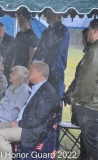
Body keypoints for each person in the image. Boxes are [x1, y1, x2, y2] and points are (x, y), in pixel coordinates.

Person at [0, 61, 58, 160]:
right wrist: (17, 120)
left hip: (33, 130)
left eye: (31, 70)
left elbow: (39, 118)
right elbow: (26, 110)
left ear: (39, 74)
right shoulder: (36, 88)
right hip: (24, 124)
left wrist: (20, 123)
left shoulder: (48, 93)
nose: (28, 72)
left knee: (1, 134)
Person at [32, 8, 70, 148]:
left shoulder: (63, 31)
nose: (46, 16)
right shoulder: (46, 31)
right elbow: (40, 50)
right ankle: (42, 139)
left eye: (49, 13)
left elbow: (56, 53)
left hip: (55, 75)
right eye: (46, 13)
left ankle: (54, 142)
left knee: (54, 109)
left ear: (57, 14)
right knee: (42, 108)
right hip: (43, 75)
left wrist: (45, 66)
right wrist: (35, 62)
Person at [72, 19, 98, 160]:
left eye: (89, 29)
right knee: (89, 144)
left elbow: (88, 80)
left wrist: (80, 101)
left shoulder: (94, 51)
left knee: (91, 146)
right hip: (93, 104)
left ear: (95, 31)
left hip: (91, 106)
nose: (87, 33)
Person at [62, 28, 90, 160]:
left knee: (89, 138)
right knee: (85, 136)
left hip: (87, 106)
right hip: (82, 105)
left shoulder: (91, 57)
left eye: (84, 39)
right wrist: (68, 93)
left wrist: (74, 96)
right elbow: (77, 79)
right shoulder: (87, 55)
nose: (82, 41)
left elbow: (83, 81)